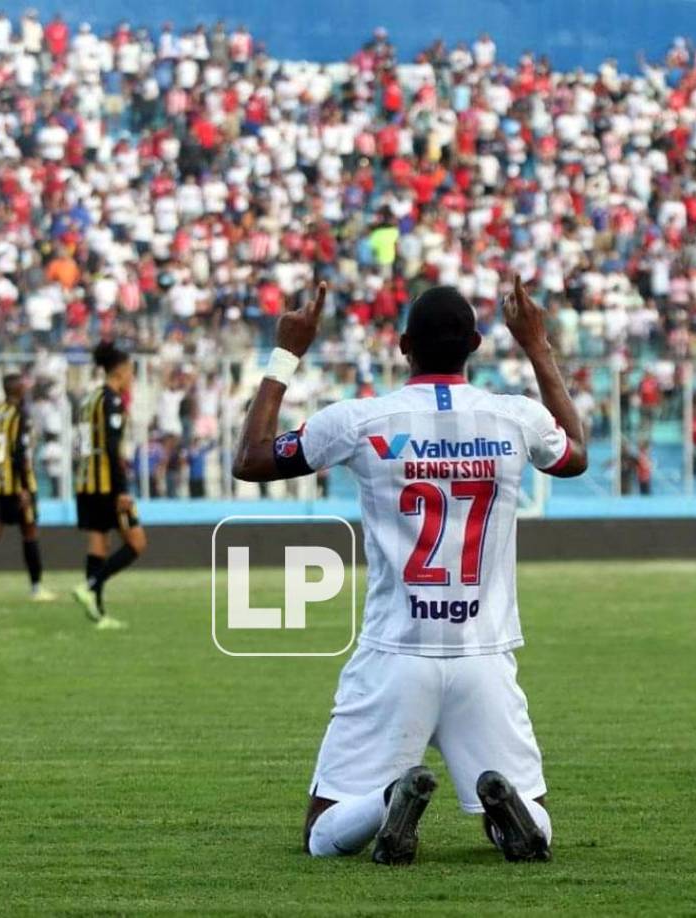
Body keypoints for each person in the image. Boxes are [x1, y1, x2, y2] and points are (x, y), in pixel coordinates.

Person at [233, 278, 587, 866]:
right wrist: (537, 345)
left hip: (395, 651)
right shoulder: (514, 417)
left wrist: (288, 351)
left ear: (403, 346)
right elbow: (573, 452)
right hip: (483, 653)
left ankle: (390, 799)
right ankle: (511, 819)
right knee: (534, 814)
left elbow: (252, 460)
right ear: (475, 342)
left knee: (322, 834)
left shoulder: (361, 420)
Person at [71, 342, 148, 629]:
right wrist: (122, 490)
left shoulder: (89, 399)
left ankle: (98, 613)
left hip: (86, 481)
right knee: (137, 542)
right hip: (107, 485)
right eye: (130, 371)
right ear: (121, 370)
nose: (131, 377)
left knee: (99, 543)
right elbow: (112, 447)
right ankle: (89, 586)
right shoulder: (112, 400)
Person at [0, 373, 56, 602]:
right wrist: (24, 487)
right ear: (16, 390)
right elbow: (19, 453)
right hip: (16, 484)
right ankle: (36, 588)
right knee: (30, 532)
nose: (26, 391)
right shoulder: (19, 415)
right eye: (23, 387)